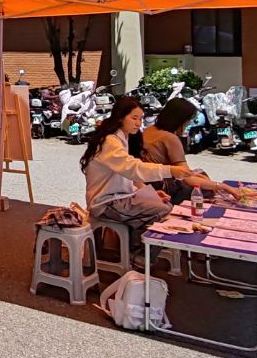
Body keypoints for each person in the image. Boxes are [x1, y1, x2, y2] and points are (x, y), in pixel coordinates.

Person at [81, 95, 193, 249]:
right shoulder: (110, 141)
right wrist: (170, 170)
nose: (138, 123)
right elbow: (133, 169)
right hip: (107, 203)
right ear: (120, 118)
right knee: (165, 211)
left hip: (120, 197)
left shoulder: (123, 138)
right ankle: (138, 254)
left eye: (140, 119)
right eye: (134, 118)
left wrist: (150, 194)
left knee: (165, 205)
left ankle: (136, 249)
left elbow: (129, 176)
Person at [141, 97, 240, 205]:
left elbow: (181, 170)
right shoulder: (170, 138)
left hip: (145, 181)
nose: (189, 124)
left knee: (200, 174)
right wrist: (223, 186)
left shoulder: (149, 130)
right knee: (204, 187)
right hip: (161, 186)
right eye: (188, 121)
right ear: (180, 120)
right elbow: (186, 178)